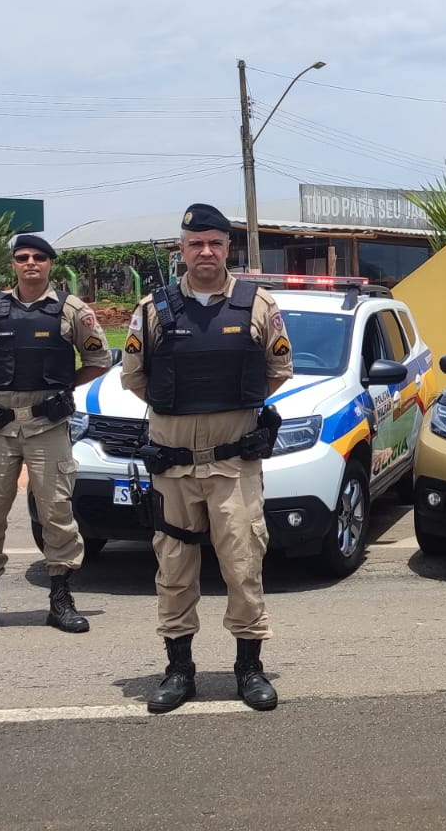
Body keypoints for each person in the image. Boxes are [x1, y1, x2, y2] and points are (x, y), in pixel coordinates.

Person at [121, 203, 293, 713]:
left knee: (243, 564)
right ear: (182, 249)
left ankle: (249, 668)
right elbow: (135, 378)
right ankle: (179, 670)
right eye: (196, 243)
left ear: (227, 248)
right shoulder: (153, 310)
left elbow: (277, 370)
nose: (206, 252)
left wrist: (228, 411)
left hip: (233, 466)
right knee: (174, 569)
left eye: (215, 243)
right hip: (173, 467)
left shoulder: (257, 304)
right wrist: (180, 410)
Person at [0, 233, 113, 637]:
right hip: (2, 427)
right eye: (23, 257)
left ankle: (61, 600)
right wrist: (10, 386)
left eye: (39, 257)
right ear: (13, 263)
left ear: (50, 264)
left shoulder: (72, 310)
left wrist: (61, 386)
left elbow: (99, 358)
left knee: (56, 513)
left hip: (48, 426)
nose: (31, 263)